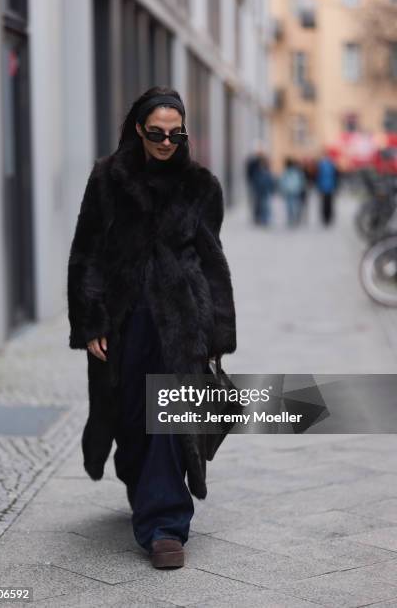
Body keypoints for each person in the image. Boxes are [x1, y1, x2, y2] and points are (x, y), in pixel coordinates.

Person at [67, 86, 237, 569]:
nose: (166, 141)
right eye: (157, 133)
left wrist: (217, 332)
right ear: (138, 130)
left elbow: (211, 259)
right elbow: (87, 253)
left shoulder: (201, 186)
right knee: (129, 421)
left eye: (175, 132)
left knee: (170, 419)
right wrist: (91, 319)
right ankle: (142, 485)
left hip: (181, 322)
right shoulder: (107, 179)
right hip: (123, 322)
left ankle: (165, 523)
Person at [278, 157, 306, 227]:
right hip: (294, 190)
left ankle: (292, 218)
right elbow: (301, 181)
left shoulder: (288, 172)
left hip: (290, 190)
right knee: (294, 205)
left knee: (290, 205)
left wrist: (282, 189)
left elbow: (282, 181)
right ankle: (293, 218)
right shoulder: (297, 172)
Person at [316, 151, 339, 226]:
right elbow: (336, 176)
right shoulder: (332, 164)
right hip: (331, 186)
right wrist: (336, 186)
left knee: (323, 203)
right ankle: (329, 217)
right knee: (330, 203)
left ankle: (325, 218)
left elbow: (317, 176)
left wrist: (318, 186)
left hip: (322, 187)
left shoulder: (320, 165)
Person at [251, 154, 275, 226]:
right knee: (261, 205)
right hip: (260, 191)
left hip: (265, 191)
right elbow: (256, 181)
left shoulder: (266, 172)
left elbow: (270, 182)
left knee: (265, 205)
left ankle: (265, 219)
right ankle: (262, 218)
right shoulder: (258, 172)